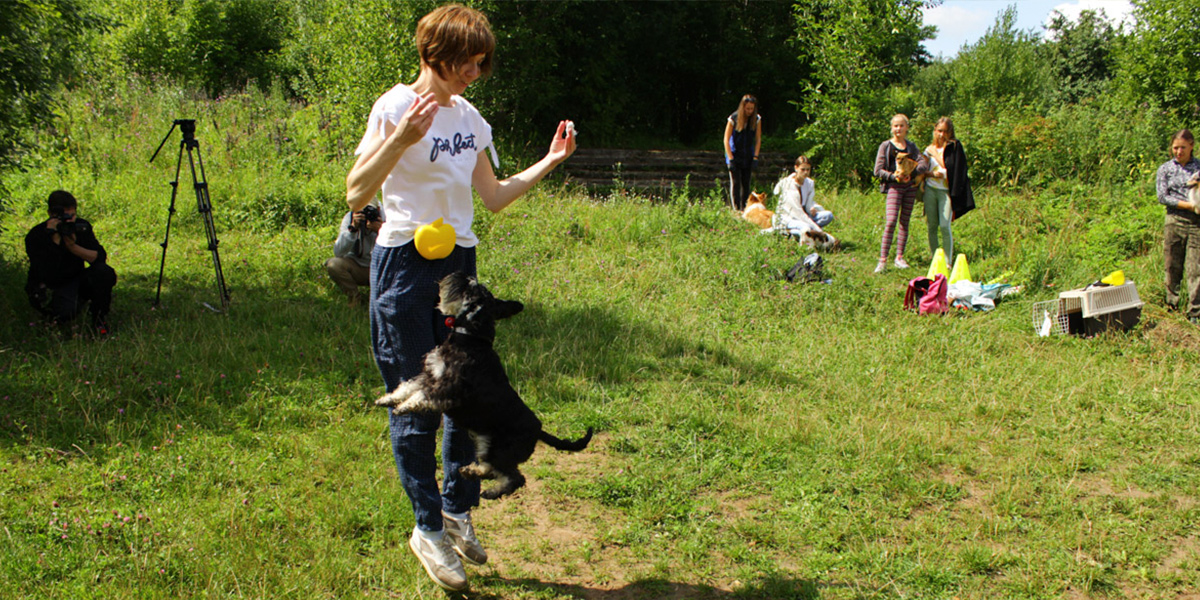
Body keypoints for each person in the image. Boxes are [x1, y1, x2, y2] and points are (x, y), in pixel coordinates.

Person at [343, 4, 576, 592]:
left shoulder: (471, 118)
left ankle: (455, 509)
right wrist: (400, 140)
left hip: (458, 268)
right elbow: (355, 192)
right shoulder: (395, 106)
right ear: (436, 54)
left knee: (463, 399)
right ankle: (426, 528)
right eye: (468, 61)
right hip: (403, 266)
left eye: (481, 63)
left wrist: (551, 160)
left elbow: (493, 197)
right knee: (417, 406)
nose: (476, 71)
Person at [25, 190, 116, 333]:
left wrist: (73, 247)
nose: (68, 221)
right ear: (50, 214)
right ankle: (54, 314)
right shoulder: (36, 235)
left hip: (75, 279)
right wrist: (54, 241)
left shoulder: (80, 227)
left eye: (71, 215)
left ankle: (99, 319)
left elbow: (99, 258)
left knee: (104, 272)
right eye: (62, 217)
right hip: (51, 285)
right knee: (64, 313)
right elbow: (45, 271)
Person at [873, 114, 927, 273]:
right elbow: (877, 170)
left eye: (901, 126)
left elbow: (923, 163)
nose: (898, 129)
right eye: (895, 126)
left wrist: (912, 172)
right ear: (891, 128)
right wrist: (893, 177)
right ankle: (883, 260)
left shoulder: (911, 147)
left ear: (907, 128)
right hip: (894, 188)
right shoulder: (886, 146)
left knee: (904, 221)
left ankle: (899, 257)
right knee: (890, 221)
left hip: (910, 188)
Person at [1156, 129, 1200, 324]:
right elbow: (1163, 197)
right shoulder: (1165, 169)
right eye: (1175, 147)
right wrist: (1189, 205)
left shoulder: (1199, 167)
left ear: (1191, 145)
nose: (1178, 151)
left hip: (1197, 223)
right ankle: (1171, 307)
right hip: (1174, 219)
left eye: (1182, 147)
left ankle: (1195, 313)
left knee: (1195, 269)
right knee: (1172, 265)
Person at [324, 203, 383, 307]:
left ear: (378, 208)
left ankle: (383, 300)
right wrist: (353, 229)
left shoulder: (389, 217)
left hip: (381, 268)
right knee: (334, 264)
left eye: (371, 211)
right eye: (363, 211)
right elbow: (338, 252)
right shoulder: (350, 217)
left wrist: (382, 231)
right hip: (358, 266)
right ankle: (354, 297)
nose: (367, 215)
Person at [723, 94, 762, 211]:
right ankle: (736, 209)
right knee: (736, 183)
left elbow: (758, 139)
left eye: (752, 109)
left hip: (748, 155)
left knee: (746, 183)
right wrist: (730, 159)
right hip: (734, 154)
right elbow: (726, 139)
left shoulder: (756, 119)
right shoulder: (733, 118)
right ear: (743, 107)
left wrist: (755, 156)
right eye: (747, 108)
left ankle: (745, 209)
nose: (750, 111)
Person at [773, 155, 834, 228]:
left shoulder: (810, 183)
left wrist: (812, 208)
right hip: (790, 217)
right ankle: (805, 231)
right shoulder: (789, 183)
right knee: (806, 226)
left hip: (806, 215)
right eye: (803, 169)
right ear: (796, 168)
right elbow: (797, 211)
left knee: (828, 215)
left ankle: (810, 231)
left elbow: (809, 202)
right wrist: (816, 228)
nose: (805, 172)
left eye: (808, 170)